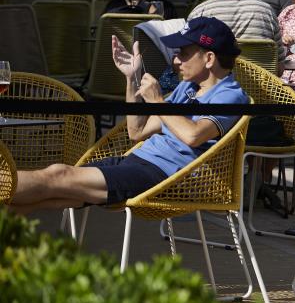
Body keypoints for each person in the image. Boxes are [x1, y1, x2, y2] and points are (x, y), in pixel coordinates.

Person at [9, 17, 248, 212]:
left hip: (165, 176)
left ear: (209, 58)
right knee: (53, 190)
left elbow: (193, 136)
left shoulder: (229, 95)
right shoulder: (189, 86)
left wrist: (156, 100)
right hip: (137, 161)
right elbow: (137, 132)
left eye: (183, 53)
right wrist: (132, 79)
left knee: (58, 175)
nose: (175, 60)